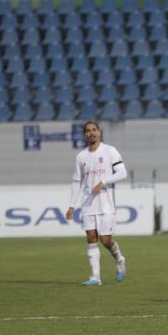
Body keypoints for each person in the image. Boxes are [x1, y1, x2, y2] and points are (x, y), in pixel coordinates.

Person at [65, 120, 128, 286]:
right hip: (87, 202)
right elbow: (76, 181)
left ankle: (120, 259)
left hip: (106, 202)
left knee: (105, 239)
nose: (91, 133)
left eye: (94, 130)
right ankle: (95, 277)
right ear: (84, 135)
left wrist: (103, 182)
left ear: (99, 132)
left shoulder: (109, 151)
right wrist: (72, 205)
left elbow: (122, 173)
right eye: (88, 131)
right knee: (91, 236)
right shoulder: (81, 156)